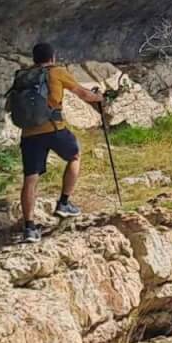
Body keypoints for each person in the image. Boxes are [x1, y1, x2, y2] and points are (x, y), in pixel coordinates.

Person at [8, 42, 107, 244]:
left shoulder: (23, 76)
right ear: (52, 57)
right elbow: (83, 94)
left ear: (34, 58)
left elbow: (11, 105)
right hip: (53, 129)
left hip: (28, 134)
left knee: (30, 178)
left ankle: (29, 228)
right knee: (75, 155)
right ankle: (64, 203)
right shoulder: (56, 72)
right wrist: (99, 98)